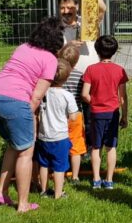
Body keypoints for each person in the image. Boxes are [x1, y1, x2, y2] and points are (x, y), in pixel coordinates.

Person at [0, 17, 64, 212]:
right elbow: (36, 97)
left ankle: (0, 192)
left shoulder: (23, 47)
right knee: (26, 152)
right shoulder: (51, 59)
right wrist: (26, 119)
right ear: (56, 41)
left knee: (14, 145)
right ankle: (23, 203)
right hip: (15, 101)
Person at [59, 0, 107, 156]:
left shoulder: (87, 21)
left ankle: (90, 152)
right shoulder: (56, 29)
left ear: (77, 7)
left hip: (89, 77)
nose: (66, 11)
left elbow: (102, 9)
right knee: (70, 117)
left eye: (70, 7)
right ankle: (70, 152)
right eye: (63, 8)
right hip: (68, 80)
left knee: (90, 116)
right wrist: (67, 47)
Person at [82, 35, 128, 189]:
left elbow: (84, 94)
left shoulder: (91, 69)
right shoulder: (119, 70)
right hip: (113, 112)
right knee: (111, 147)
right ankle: (109, 180)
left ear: (97, 51)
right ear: (114, 51)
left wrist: (94, 102)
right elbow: (123, 97)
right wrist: (125, 116)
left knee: (96, 147)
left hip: (96, 113)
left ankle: (96, 179)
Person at [36, 58, 78, 199]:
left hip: (43, 136)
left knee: (43, 164)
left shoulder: (43, 93)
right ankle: (58, 194)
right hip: (60, 137)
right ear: (67, 77)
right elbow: (73, 117)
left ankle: (43, 190)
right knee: (59, 167)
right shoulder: (67, 96)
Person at [58, 43, 87, 185]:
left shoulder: (56, 73)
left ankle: (60, 173)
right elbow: (82, 96)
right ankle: (75, 176)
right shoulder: (80, 75)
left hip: (58, 115)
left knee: (60, 144)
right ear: (77, 60)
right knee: (76, 147)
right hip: (76, 115)